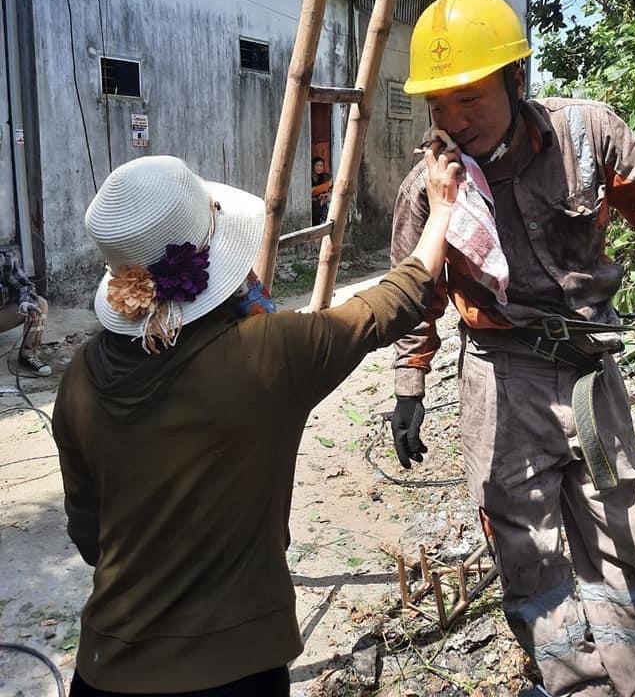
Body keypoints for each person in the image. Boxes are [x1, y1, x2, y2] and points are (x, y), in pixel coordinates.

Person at [52, 151, 460, 697]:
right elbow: (392, 303)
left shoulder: (79, 377)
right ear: (216, 259)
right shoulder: (269, 354)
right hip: (235, 673)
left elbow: (88, 534)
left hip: (105, 670)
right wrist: (443, 208)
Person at [388, 0, 635, 697]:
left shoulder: (584, 135)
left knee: (624, 524)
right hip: (501, 376)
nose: (455, 121)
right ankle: (574, 682)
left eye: (470, 97)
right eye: (440, 105)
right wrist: (409, 384)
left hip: (590, 371)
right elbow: (416, 292)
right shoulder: (430, 189)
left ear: (516, 79)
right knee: (525, 545)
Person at [0, 248, 52, 376]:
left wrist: (25, 303)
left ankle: (27, 355)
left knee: (39, 303)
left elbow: (24, 286)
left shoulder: (6, 260)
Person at [311, 155, 333, 225]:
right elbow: (311, 191)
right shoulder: (309, 176)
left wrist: (324, 195)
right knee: (316, 205)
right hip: (312, 201)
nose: (319, 168)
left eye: (321, 166)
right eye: (317, 165)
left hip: (322, 200)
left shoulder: (323, 177)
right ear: (313, 166)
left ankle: (323, 222)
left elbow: (329, 189)